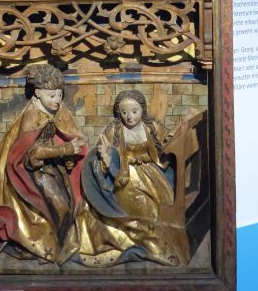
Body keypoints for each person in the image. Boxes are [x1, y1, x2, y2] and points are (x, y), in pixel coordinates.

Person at [0, 65, 87, 264]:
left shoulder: (57, 109)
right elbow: (30, 153)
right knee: (60, 207)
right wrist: (65, 150)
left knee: (68, 206)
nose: (57, 100)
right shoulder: (32, 116)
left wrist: (70, 153)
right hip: (33, 172)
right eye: (52, 95)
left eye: (60, 95)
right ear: (37, 93)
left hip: (53, 167)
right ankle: (49, 249)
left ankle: (60, 247)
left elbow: (68, 134)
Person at [77, 89, 190, 266]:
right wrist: (106, 159)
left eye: (134, 111)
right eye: (124, 112)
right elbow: (101, 158)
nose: (129, 117)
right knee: (140, 212)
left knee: (160, 209)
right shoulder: (114, 130)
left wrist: (177, 132)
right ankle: (144, 242)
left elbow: (169, 145)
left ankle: (157, 240)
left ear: (142, 110)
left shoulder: (152, 127)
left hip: (152, 175)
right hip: (124, 177)